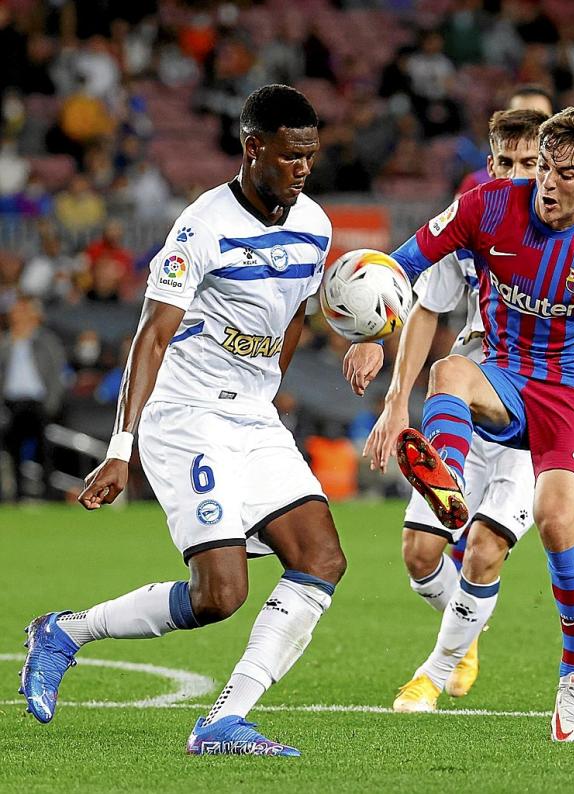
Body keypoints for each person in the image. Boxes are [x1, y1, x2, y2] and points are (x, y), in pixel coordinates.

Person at [20, 84, 347, 757]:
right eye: (291, 156)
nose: (303, 168)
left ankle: (223, 721)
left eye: (310, 156)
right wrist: (121, 448)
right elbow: (151, 337)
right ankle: (65, 632)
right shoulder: (201, 226)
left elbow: (294, 315)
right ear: (253, 148)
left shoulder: (314, 223)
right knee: (221, 595)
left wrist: (266, 387)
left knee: (321, 558)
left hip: (251, 418)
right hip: (186, 415)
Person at [344, 107, 574, 741]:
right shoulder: (486, 206)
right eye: (544, 170)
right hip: (506, 378)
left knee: (559, 521)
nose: (549, 185)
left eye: (567, 174)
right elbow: (406, 262)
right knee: (450, 370)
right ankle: (446, 485)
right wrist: (373, 322)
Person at [0, 296, 66, 500]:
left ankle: (48, 494)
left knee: (45, 450)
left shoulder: (45, 341)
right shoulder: (6, 342)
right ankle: (17, 494)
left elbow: (57, 373)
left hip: (38, 403)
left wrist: (51, 405)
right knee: (13, 451)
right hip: (11, 403)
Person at [455, 84, 554, 195]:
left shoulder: (568, 190)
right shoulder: (476, 185)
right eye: (520, 117)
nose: (529, 126)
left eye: (539, 119)